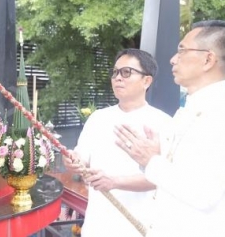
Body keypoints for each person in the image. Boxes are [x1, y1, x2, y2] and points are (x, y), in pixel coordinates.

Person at [115, 20, 225, 237]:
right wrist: (158, 154)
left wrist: (152, 160)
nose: (173, 59)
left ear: (208, 59)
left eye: (182, 51)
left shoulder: (219, 112)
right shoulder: (191, 107)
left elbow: (204, 193)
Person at [63, 48, 173, 237]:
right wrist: (72, 160)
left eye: (126, 72)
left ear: (146, 81)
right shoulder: (98, 118)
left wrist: (114, 182)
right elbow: (81, 160)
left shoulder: (163, 123)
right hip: (97, 224)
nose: (117, 78)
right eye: (115, 72)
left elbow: (165, 178)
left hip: (140, 225)